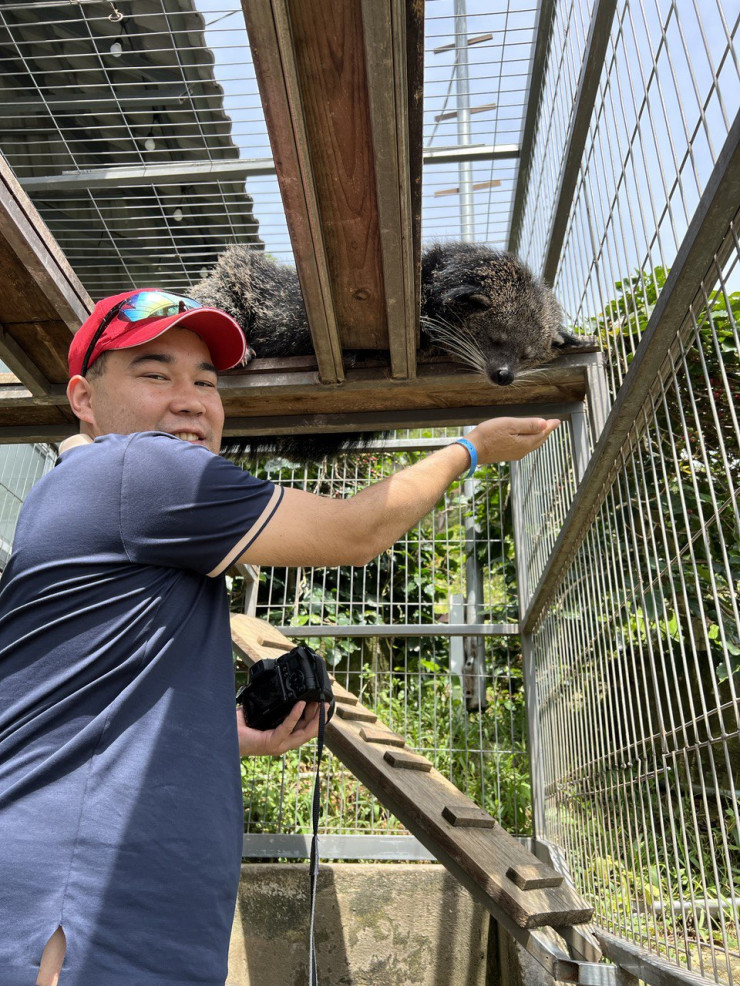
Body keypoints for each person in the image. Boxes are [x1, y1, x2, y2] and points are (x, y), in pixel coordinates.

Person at [0, 289, 560, 986]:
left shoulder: (83, 492)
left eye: (207, 383)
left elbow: (78, 707)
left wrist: (223, 735)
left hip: (121, 893)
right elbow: (357, 532)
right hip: (79, 902)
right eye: (155, 375)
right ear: (84, 398)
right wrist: (468, 450)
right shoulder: (136, 468)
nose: (190, 401)